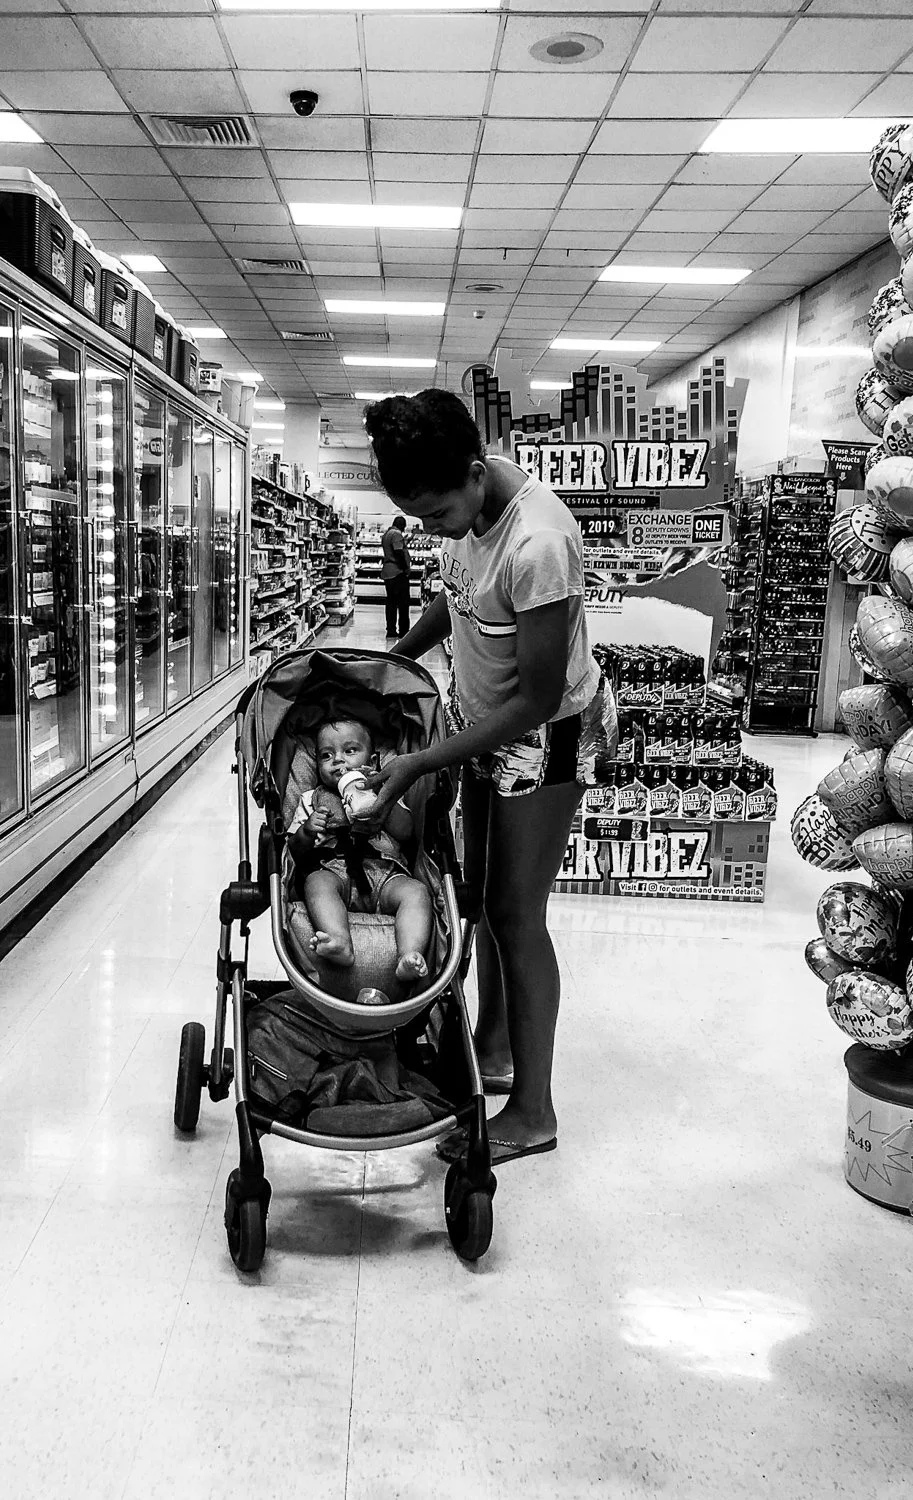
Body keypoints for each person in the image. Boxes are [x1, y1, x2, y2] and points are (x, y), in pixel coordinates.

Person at [360, 389, 614, 1166]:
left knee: (514, 913)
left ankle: (533, 1111)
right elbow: (455, 599)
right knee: (478, 899)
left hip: (549, 734)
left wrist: (421, 761)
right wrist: (390, 661)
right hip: (484, 727)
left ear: (474, 474)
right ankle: (494, 1046)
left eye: (436, 513)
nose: (432, 528)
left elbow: (537, 698)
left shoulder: (538, 543)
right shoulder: (469, 507)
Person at [288, 716, 433, 983]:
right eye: (326, 755)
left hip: (387, 874)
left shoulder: (386, 792)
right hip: (335, 872)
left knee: (417, 892)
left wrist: (383, 804)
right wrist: (307, 832)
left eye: (350, 750)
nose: (338, 761)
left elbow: (406, 833)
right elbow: (294, 851)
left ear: (373, 761)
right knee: (316, 883)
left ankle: (410, 955)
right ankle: (340, 941)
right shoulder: (312, 799)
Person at [380, 514, 412, 639]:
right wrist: (405, 568)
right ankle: (404, 631)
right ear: (402, 525)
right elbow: (398, 552)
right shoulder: (397, 534)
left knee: (391, 603)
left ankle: (391, 630)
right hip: (397, 573)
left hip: (388, 572)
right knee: (403, 603)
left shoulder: (387, 534)